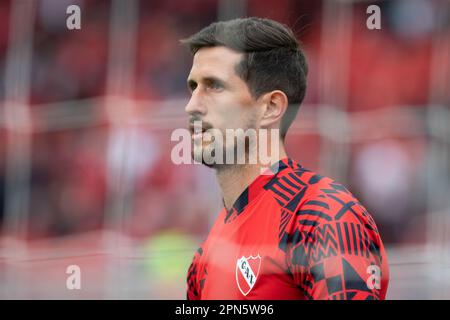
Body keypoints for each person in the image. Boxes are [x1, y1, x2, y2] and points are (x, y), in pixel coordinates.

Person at [181, 17, 389, 300]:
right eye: (193, 87)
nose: (192, 105)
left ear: (271, 107)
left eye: (214, 86)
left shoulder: (323, 215)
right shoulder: (205, 259)